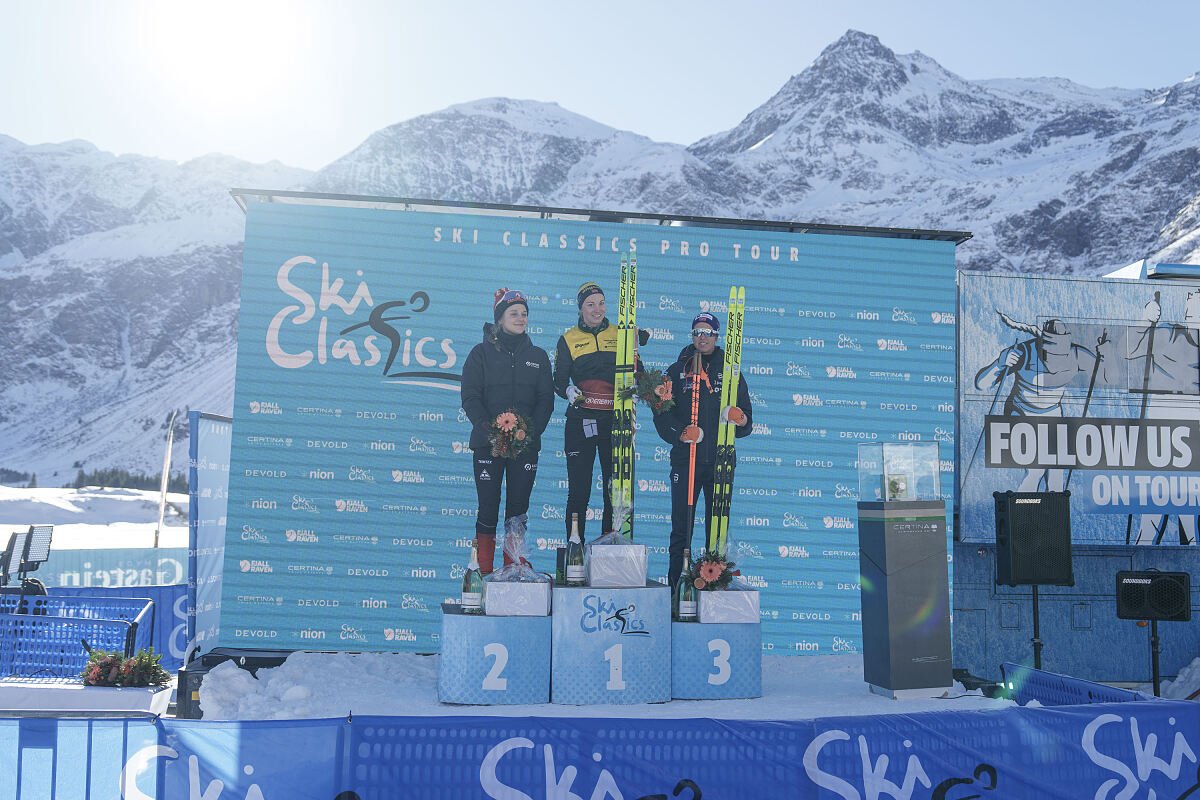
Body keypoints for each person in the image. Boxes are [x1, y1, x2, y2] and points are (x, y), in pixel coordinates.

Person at [653, 312, 752, 587]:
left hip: (720, 462)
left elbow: (747, 422)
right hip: (686, 462)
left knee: (717, 532)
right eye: (697, 332)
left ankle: (712, 588)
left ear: (717, 336)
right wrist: (681, 433)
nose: (702, 337)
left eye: (707, 332)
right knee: (681, 530)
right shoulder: (677, 370)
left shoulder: (731, 372)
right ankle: (676, 589)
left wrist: (740, 419)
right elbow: (661, 412)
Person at [460, 288, 554, 573]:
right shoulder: (479, 354)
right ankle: (484, 574)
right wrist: (490, 431)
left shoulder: (538, 356)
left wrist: (528, 433)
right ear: (499, 318)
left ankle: (514, 572)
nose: (521, 318)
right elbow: (470, 397)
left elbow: (545, 401)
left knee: (518, 510)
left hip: (525, 445)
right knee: (488, 508)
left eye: (524, 314)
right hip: (488, 444)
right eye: (514, 313)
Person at [552, 281, 648, 537]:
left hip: (615, 421)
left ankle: (610, 547)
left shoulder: (621, 334)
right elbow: (558, 381)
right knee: (579, 491)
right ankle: (575, 547)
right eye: (590, 304)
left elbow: (639, 373)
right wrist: (568, 391)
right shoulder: (568, 339)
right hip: (581, 421)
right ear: (580, 308)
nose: (597, 309)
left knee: (613, 490)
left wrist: (637, 387)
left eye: (601, 303)